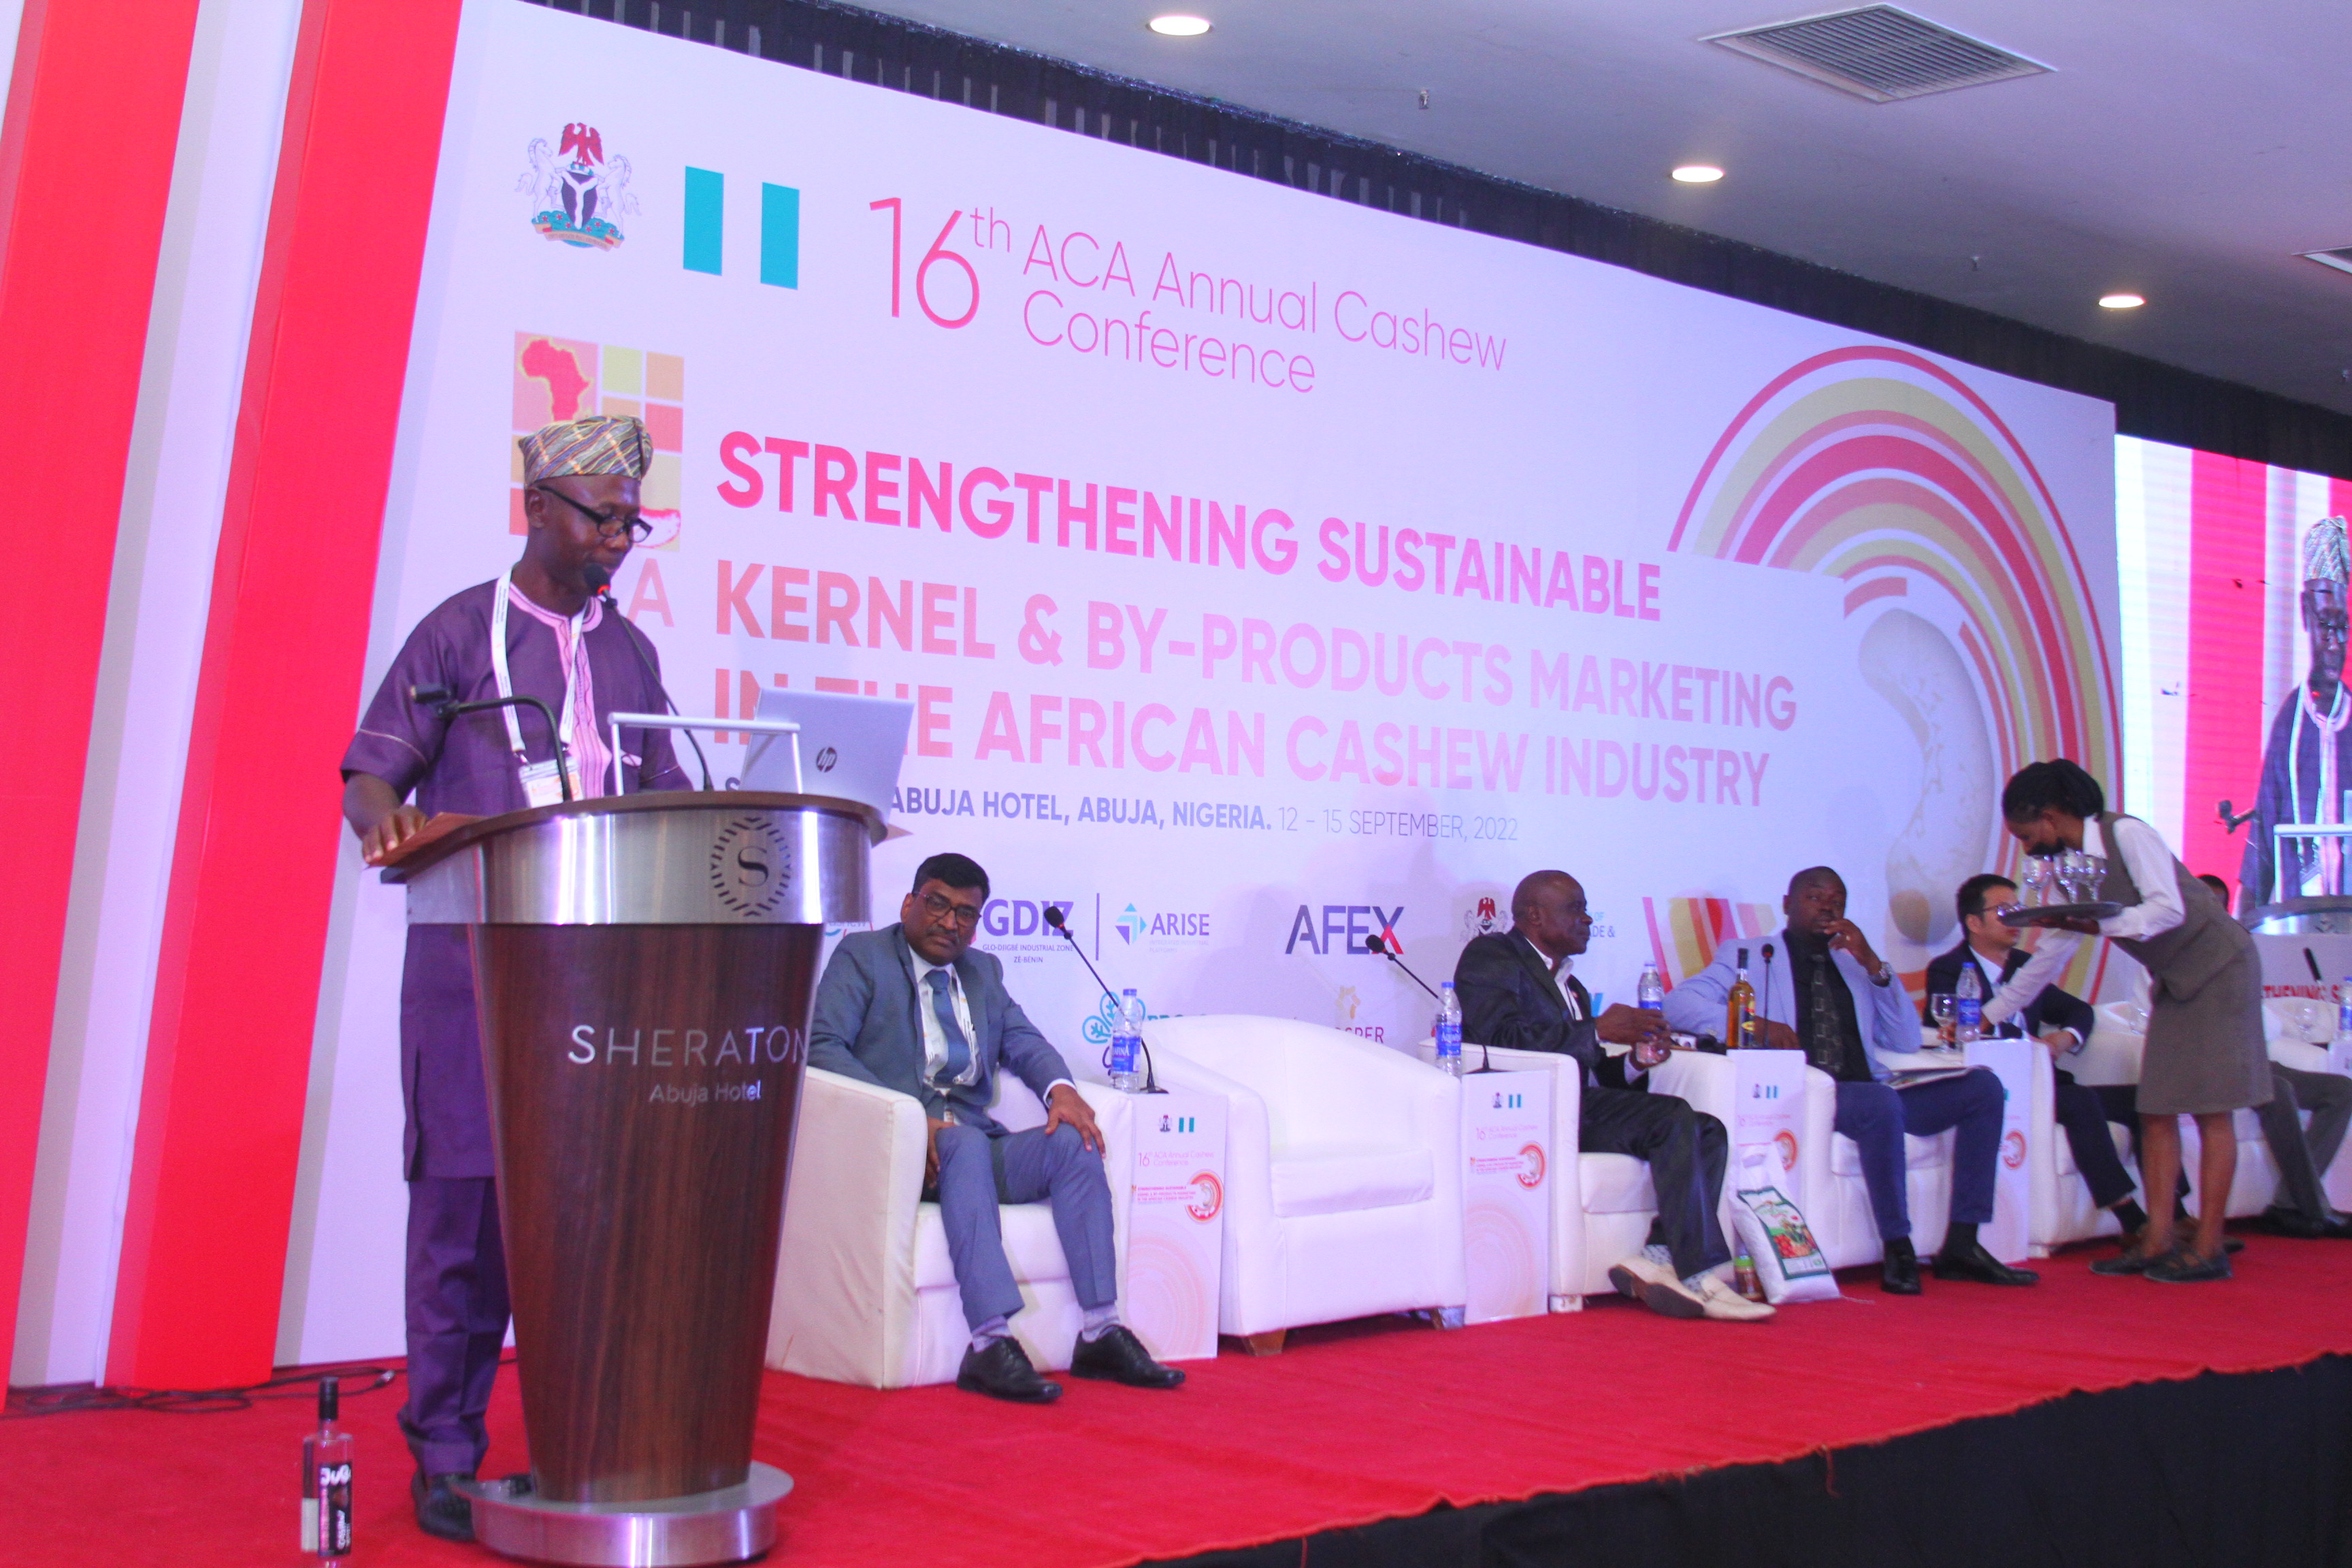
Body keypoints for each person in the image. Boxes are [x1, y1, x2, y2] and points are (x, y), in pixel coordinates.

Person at [340, 415, 693, 1541]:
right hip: (474, 984)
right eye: (603, 518)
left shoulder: (632, 653)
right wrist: (386, 817)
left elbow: (669, 795)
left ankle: (592, 1443)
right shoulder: (457, 633)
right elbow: (369, 772)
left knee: (597, 1229)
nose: (620, 539)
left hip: (606, 990)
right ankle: (446, 1458)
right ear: (537, 507)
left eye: (633, 523)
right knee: (465, 1226)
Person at [807, 852, 1186, 1402]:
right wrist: (909, 1118)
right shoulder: (863, 957)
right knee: (961, 1140)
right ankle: (989, 1342)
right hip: (898, 1147)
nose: (950, 922)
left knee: (1073, 1143)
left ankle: (1100, 1330)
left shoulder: (983, 972)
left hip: (973, 1150)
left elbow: (1023, 1040)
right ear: (909, 903)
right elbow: (822, 1046)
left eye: (965, 913)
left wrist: (1062, 1091)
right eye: (937, 904)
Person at [1667, 868, 2039, 1295]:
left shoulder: (1854, 963)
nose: (1827, 907)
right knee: (1880, 1103)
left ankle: (1963, 1243)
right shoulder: (1750, 954)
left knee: (1983, 1088)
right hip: (1810, 1094)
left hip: (1874, 1091)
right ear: (1787, 904)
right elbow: (1680, 1004)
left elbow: (1904, 1038)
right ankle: (1898, 1245)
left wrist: (1874, 966)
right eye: (1815, 897)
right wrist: (1758, 1025)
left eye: (1838, 901)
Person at [1453, 870, 1772, 1323]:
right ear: (1535, 916)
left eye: (1587, 910)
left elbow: (1595, 1068)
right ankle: (1698, 1274)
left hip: (1578, 1106)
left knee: (1708, 1130)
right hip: (1530, 1111)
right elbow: (1500, 1038)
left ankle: (1659, 1257)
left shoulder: (1571, 986)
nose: (1587, 920)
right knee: (1673, 1116)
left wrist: (1636, 1061)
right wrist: (1598, 1028)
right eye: (1576, 909)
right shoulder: (1492, 955)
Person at [2003, 760, 2271, 1281]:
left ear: (2051, 817)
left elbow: (2167, 910)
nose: (2027, 847)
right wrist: (1992, 1013)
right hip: (2176, 980)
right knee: (2155, 1110)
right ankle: (2157, 1240)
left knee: (2212, 1111)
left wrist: (2098, 926)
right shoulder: (2068, 868)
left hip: (2221, 967)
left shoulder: (2126, 834)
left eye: (2027, 835)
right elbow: (2048, 957)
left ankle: (2209, 1248)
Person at [1927, 874, 2150, 1239]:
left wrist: (2064, 1038)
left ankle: (2174, 1215)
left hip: (2046, 1083)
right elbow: (1960, 1029)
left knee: (2146, 1101)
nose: (2018, 919)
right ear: (1974, 923)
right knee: (2079, 1101)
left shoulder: (2026, 966)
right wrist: (2025, 1041)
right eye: (2004, 911)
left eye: (2019, 909)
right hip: (1999, 1088)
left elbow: (2079, 1010)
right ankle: (2132, 1220)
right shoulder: (1949, 969)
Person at [2195, 872, 2352, 1239]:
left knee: (2342, 1090)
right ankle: (2315, 1210)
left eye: (2220, 907)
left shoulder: (2236, 951)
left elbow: (2264, 1022)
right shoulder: (2172, 953)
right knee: (2276, 1089)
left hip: (2254, 1058)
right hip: (2208, 1063)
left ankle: (2289, 1206)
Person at [2240, 515, 2352, 910]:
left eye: (2343, 627)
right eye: (2325, 625)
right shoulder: (2290, 721)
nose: (2335, 643)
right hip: (2299, 920)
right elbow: (2264, 830)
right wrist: (2243, 925)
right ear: (2306, 614)